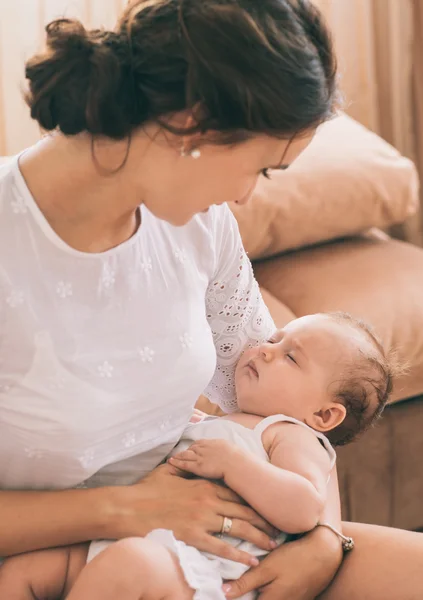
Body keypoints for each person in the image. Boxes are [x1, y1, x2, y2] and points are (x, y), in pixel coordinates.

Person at [0, 0, 422, 598]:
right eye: (263, 169)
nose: (249, 195)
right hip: (53, 558)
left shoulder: (200, 226)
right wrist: (124, 511)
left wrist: (324, 538)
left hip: (194, 536)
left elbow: (285, 404)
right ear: (193, 124)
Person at [0, 312, 394, 599]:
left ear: (323, 416)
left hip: (197, 571)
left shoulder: (291, 435)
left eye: (291, 357)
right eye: (274, 339)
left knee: (130, 563)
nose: (266, 350)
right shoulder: (230, 423)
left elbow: (306, 505)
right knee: (26, 569)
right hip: (130, 539)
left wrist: (235, 464)